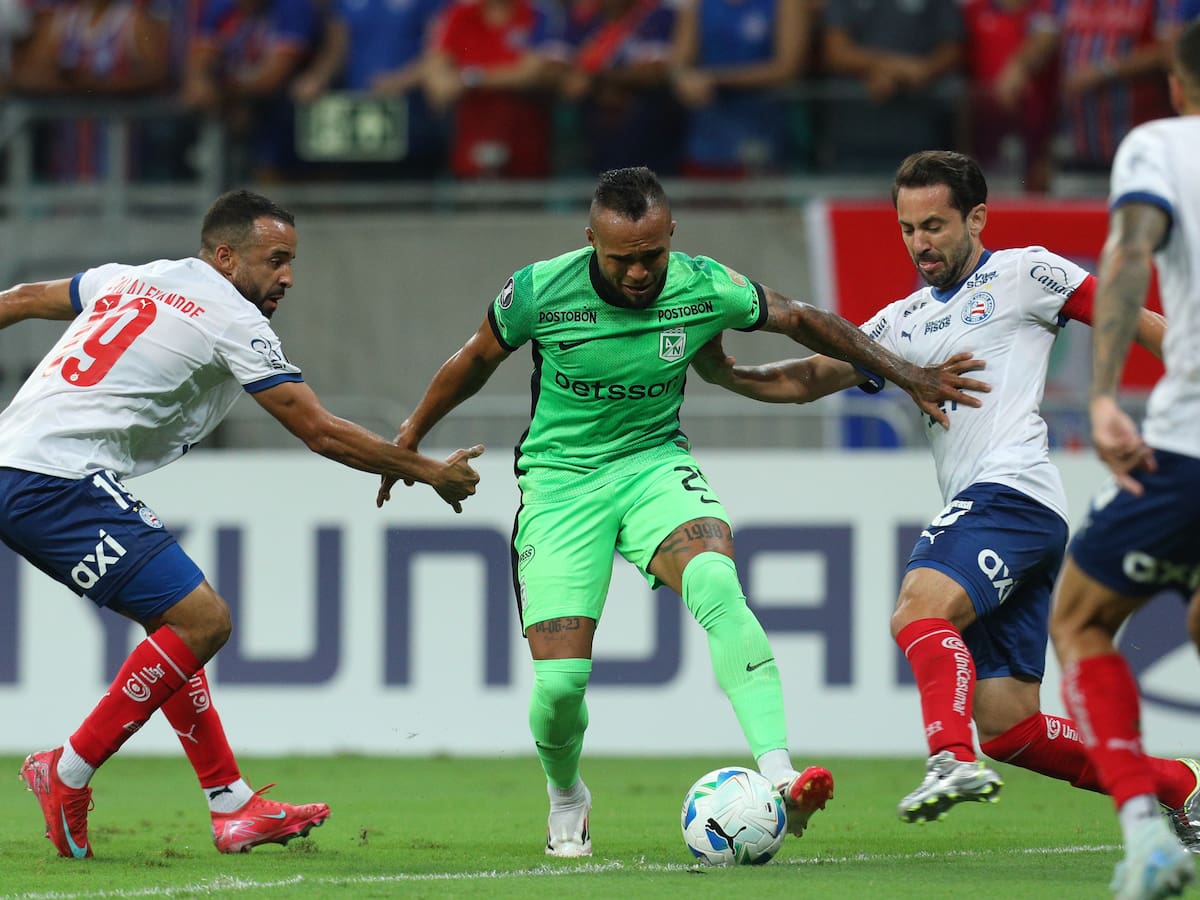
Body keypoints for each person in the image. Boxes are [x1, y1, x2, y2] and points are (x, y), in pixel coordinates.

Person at [375, 165, 990, 856]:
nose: (640, 273)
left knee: (717, 583)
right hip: (560, 484)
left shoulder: (704, 285)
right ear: (591, 241)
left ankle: (780, 774)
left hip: (653, 466)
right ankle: (567, 795)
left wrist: (907, 374)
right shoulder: (540, 290)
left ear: (672, 233)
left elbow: (801, 319)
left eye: (653, 255)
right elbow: (474, 360)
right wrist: (410, 436)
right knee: (560, 687)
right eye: (622, 259)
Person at [690, 150, 1199, 837]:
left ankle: (950, 758)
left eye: (934, 225)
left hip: (1011, 493)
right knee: (1012, 727)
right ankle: (1181, 783)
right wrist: (725, 374)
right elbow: (807, 378)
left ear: (976, 218)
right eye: (907, 228)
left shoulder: (1025, 273)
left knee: (918, 608)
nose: (920, 243)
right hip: (1012, 514)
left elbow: (1126, 316)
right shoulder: (899, 322)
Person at [2, 189, 483, 859]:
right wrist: (426, 470)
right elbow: (318, 429)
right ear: (226, 257)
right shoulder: (231, 317)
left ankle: (230, 805)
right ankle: (66, 770)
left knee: (177, 627)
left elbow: (22, 297)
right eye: (276, 259)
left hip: (21, 466)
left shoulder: (133, 277)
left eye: (293, 262)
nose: (288, 276)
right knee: (204, 622)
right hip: (55, 479)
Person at [1049, 19, 1200, 900]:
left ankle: (1146, 836)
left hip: (1188, 447)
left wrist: (1103, 396)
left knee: (1080, 620)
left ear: (1176, 85)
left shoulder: (1160, 145)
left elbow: (1131, 250)